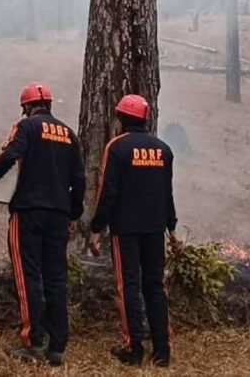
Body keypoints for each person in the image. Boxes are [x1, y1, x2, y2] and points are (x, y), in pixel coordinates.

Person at [0, 83, 85, 367]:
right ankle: (58, 345)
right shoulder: (69, 134)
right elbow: (79, 179)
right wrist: (73, 215)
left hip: (28, 213)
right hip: (59, 216)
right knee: (56, 277)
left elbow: (8, 156)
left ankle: (34, 341)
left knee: (28, 276)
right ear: (49, 105)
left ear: (27, 107)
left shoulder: (26, 127)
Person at [88, 94, 181, 368]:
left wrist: (96, 228)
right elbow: (167, 193)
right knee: (154, 285)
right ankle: (162, 350)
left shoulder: (116, 148)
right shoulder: (163, 150)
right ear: (145, 118)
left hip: (125, 229)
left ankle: (134, 349)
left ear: (121, 119)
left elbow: (107, 191)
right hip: (155, 229)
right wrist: (172, 229)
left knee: (128, 285)